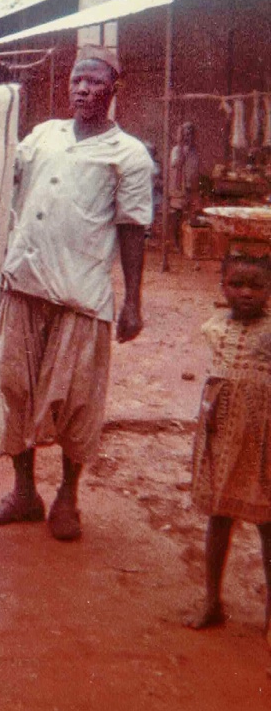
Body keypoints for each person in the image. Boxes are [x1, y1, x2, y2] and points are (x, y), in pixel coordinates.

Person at [0, 49, 153, 542]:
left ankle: (68, 497)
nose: (82, 89)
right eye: (77, 80)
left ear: (113, 89)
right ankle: (24, 492)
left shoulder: (128, 154)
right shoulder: (42, 135)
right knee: (15, 389)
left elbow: (133, 228)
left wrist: (133, 301)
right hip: (25, 281)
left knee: (79, 404)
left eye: (94, 82)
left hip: (81, 294)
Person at [186, 252, 271, 635]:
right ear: (222, 287)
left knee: (267, 523)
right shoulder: (214, 328)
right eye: (237, 284)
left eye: (257, 286)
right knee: (219, 516)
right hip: (221, 435)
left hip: (263, 439)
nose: (246, 293)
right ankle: (212, 600)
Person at [169, 122, 201, 249]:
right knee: (177, 215)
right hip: (179, 187)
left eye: (191, 134)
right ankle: (176, 242)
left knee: (191, 214)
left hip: (191, 187)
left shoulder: (195, 150)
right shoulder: (176, 149)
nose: (189, 137)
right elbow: (175, 164)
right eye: (186, 134)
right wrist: (182, 152)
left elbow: (195, 168)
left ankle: (187, 242)